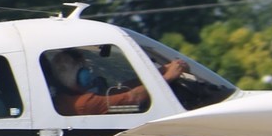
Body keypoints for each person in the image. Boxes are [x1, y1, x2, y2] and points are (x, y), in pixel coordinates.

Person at [45, 47, 185, 116]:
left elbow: (119, 91)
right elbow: (131, 97)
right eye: (83, 69)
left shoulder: (66, 98)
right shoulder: (83, 103)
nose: (89, 72)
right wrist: (167, 78)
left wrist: (158, 72)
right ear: (74, 74)